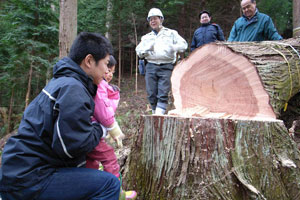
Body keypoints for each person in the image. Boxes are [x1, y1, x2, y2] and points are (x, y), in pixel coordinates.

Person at [0, 32, 121, 200]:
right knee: (109, 185)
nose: (107, 70)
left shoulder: (64, 81)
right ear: (89, 61)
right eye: (106, 64)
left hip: (22, 172)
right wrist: (100, 129)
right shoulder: (73, 89)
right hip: (31, 178)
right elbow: (70, 146)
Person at [86, 55, 137, 200]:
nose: (109, 75)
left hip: (91, 130)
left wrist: (113, 93)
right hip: (92, 131)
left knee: (90, 162)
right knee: (109, 157)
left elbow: (108, 110)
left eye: (112, 72)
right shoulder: (99, 85)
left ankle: (91, 190)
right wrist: (113, 128)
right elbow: (103, 110)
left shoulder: (101, 85)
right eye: (107, 70)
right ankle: (116, 192)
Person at [136, 8, 188, 115]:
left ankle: (158, 115)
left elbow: (184, 45)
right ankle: (156, 114)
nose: (153, 21)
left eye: (155, 18)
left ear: (161, 19)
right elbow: (138, 51)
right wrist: (146, 49)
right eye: (150, 20)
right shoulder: (146, 37)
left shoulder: (171, 33)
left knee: (163, 92)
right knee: (151, 93)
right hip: (150, 66)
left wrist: (174, 47)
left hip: (166, 66)